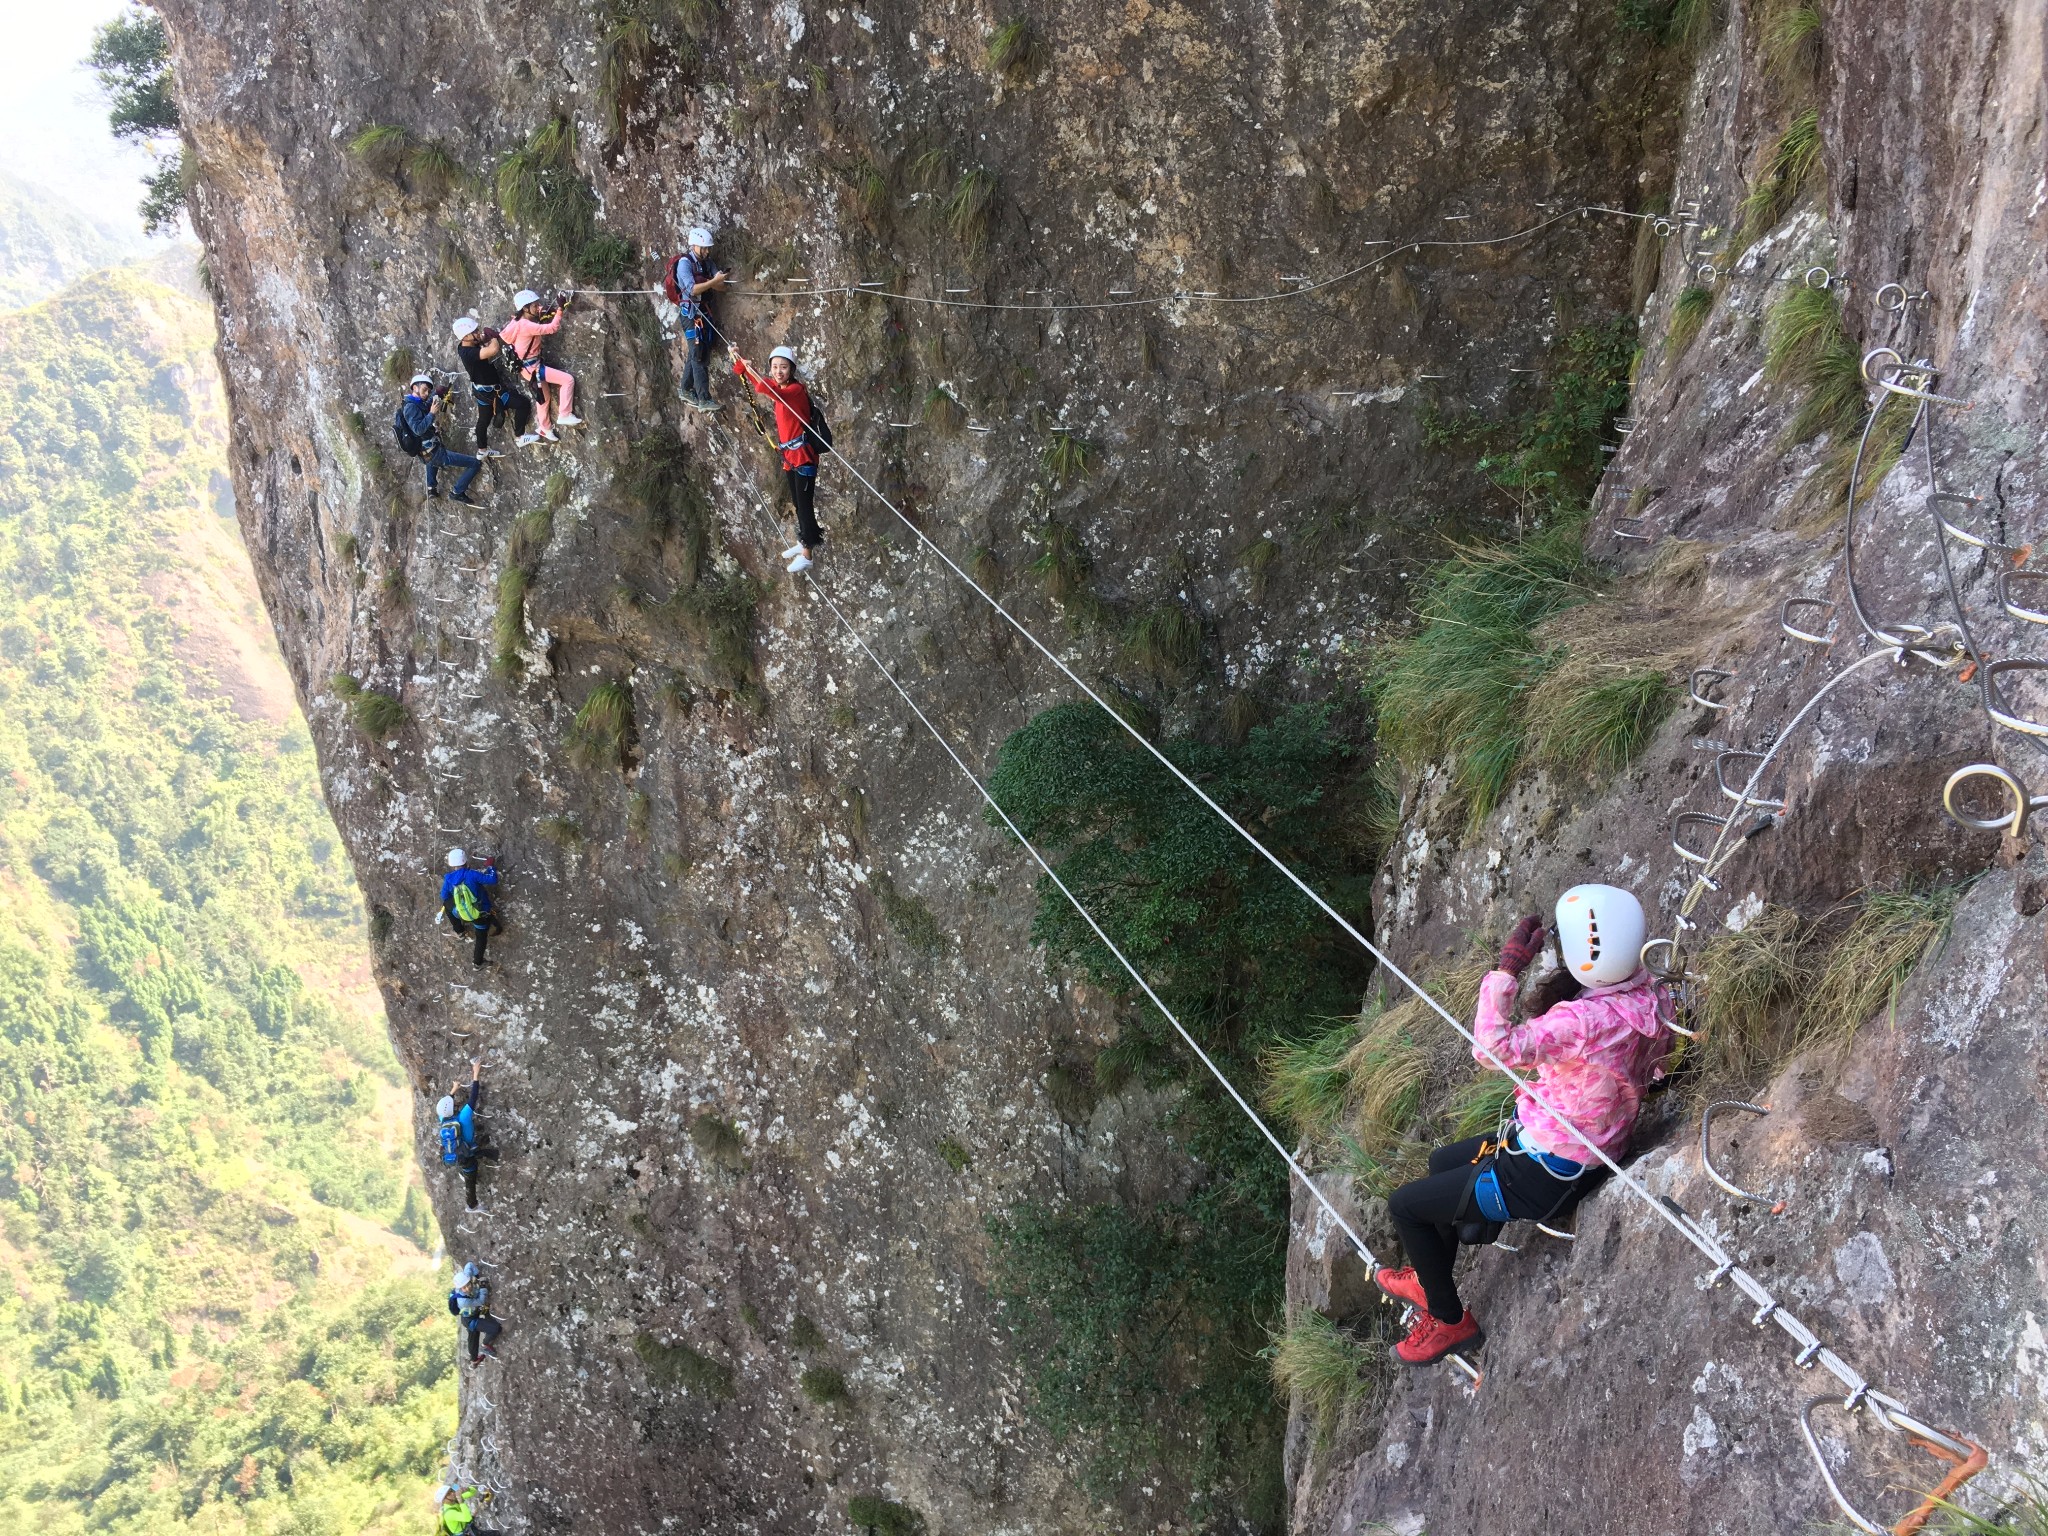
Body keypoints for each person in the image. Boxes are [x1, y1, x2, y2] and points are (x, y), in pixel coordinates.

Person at [1373, 884, 1674, 1365]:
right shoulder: (1650, 995)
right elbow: (1657, 1064)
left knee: (1405, 1207)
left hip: (1547, 1170)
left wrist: (1507, 970)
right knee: (1441, 1162)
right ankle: (1437, 1270)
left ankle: (1451, 1321)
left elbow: (1490, 1048)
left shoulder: (1581, 1022)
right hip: (1590, 1147)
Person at [733, 345, 824, 572]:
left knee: (804, 506)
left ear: (791, 369)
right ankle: (803, 540)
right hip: (789, 456)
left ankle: (807, 553)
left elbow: (768, 390)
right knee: (797, 502)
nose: (778, 371)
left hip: (803, 457)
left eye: (783, 367)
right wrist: (740, 363)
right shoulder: (780, 387)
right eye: (775, 367)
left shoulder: (795, 391)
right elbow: (757, 384)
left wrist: (750, 368)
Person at [499, 289, 581, 441]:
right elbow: (552, 328)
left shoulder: (516, 321)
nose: (538, 308)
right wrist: (560, 309)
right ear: (525, 308)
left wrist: (542, 313)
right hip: (533, 368)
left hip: (527, 368)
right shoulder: (526, 325)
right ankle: (564, 414)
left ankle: (544, 428)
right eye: (535, 306)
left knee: (543, 398)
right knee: (567, 380)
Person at [452, 315, 537, 453]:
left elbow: (482, 342)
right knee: (522, 404)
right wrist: (493, 338)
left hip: (483, 392)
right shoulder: (468, 353)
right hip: (491, 392)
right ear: (466, 337)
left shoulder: (466, 345)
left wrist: (484, 336)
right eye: (475, 332)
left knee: (484, 420)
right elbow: (493, 350)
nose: (478, 332)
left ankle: (482, 450)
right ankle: (519, 436)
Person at [396, 373, 483, 504]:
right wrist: (432, 414)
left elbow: (425, 405)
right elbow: (418, 429)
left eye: (428, 391)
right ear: (415, 387)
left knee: (430, 461)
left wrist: (437, 393)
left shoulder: (415, 402)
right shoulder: (410, 407)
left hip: (427, 453)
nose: (426, 393)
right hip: (435, 453)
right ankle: (457, 492)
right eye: (424, 389)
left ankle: (431, 488)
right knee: (475, 464)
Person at [670, 227, 729, 413]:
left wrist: (722, 281)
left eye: (708, 248)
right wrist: (713, 282)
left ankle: (686, 389)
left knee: (696, 352)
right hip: (690, 315)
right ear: (694, 245)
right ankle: (704, 399)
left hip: (704, 312)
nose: (707, 251)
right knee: (699, 355)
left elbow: (720, 287)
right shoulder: (684, 264)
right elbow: (692, 290)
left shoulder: (708, 263)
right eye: (703, 248)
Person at [436, 1057, 502, 1209]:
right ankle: (471, 1205)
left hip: (454, 1153)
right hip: (466, 1156)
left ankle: (463, 1170)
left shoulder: (443, 1120)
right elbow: (473, 1097)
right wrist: (475, 1073)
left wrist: (454, 1089)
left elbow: (447, 1105)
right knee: (470, 1181)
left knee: (465, 1162)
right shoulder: (463, 1117)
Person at [438, 847, 503, 967]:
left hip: (461, 912)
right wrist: (490, 867)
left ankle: (459, 931)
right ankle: (477, 963)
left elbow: (444, 896)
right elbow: (492, 879)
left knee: (447, 904)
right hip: (480, 914)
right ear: (465, 862)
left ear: (452, 865)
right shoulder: (472, 875)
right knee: (481, 937)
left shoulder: (449, 879)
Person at [448, 1262, 502, 1368]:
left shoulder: (467, 1275)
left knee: (473, 1337)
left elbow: (469, 1265)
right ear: (459, 1289)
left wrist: (477, 1276)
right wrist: (482, 1287)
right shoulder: (463, 1301)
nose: (467, 1288)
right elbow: (481, 1301)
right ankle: (485, 1345)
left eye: (468, 1285)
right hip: (470, 1320)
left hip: (471, 1315)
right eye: (464, 1288)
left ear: (468, 1279)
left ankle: (474, 1361)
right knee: (495, 1328)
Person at [434, 1484, 503, 1536]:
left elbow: (473, 1492)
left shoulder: (454, 1501)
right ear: (444, 1500)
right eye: (448, 1494)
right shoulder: (449, 1513)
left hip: (467, 1527)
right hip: (464, 1533)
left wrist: (467, 1489)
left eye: (451, 1491)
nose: (452, 1493)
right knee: (495, 1534)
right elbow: (467, 1518)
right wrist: (460, 1501)